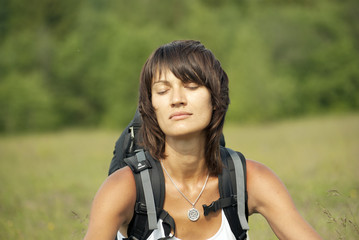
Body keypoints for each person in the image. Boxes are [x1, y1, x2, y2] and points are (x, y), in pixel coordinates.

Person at [84, 40, 322, 240]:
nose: (177, 99)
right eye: (163, 90)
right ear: (151, 106)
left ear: (215, 97)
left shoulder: (249, 179)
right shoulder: (123, 188)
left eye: (191, 85)